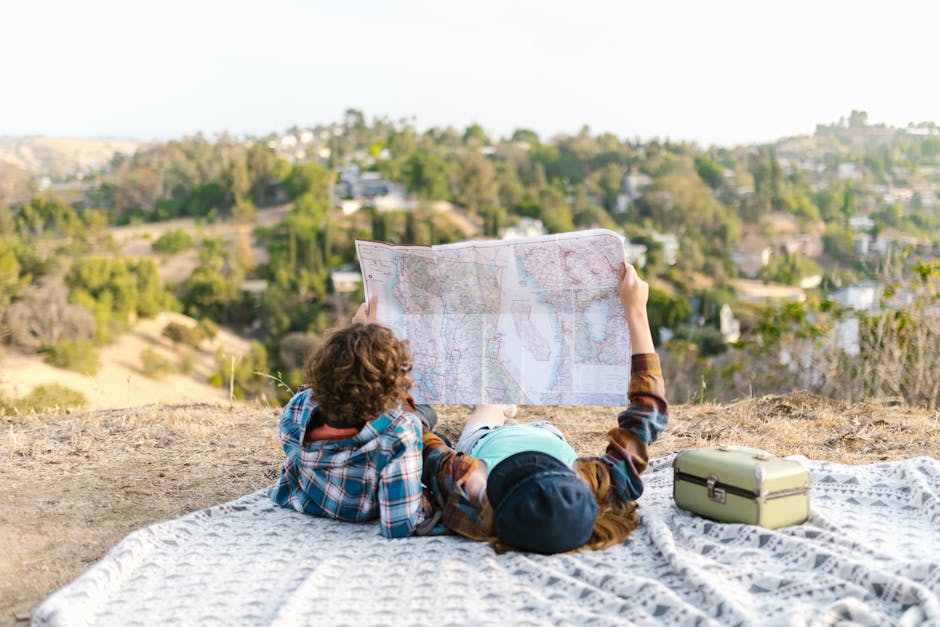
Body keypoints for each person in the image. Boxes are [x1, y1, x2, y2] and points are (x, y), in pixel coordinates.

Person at [421, 261, 669, 554]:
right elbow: (648, 413)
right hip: (547, 433)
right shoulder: (604, 486)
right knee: (496, 404)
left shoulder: (468, 490)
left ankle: (499, 409)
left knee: (489, 402)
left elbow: (416, 436)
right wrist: (637, 312)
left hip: (487, 439)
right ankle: (504, 411)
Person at [269, 297, 438, 538]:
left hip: (308, 500)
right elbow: (401, 523)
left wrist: (358, 331)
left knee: (424, 418)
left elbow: (293, 445)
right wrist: (427, 500)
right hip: (360, 509)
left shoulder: (300, 406)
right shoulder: (399, 432)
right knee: (429, 423)